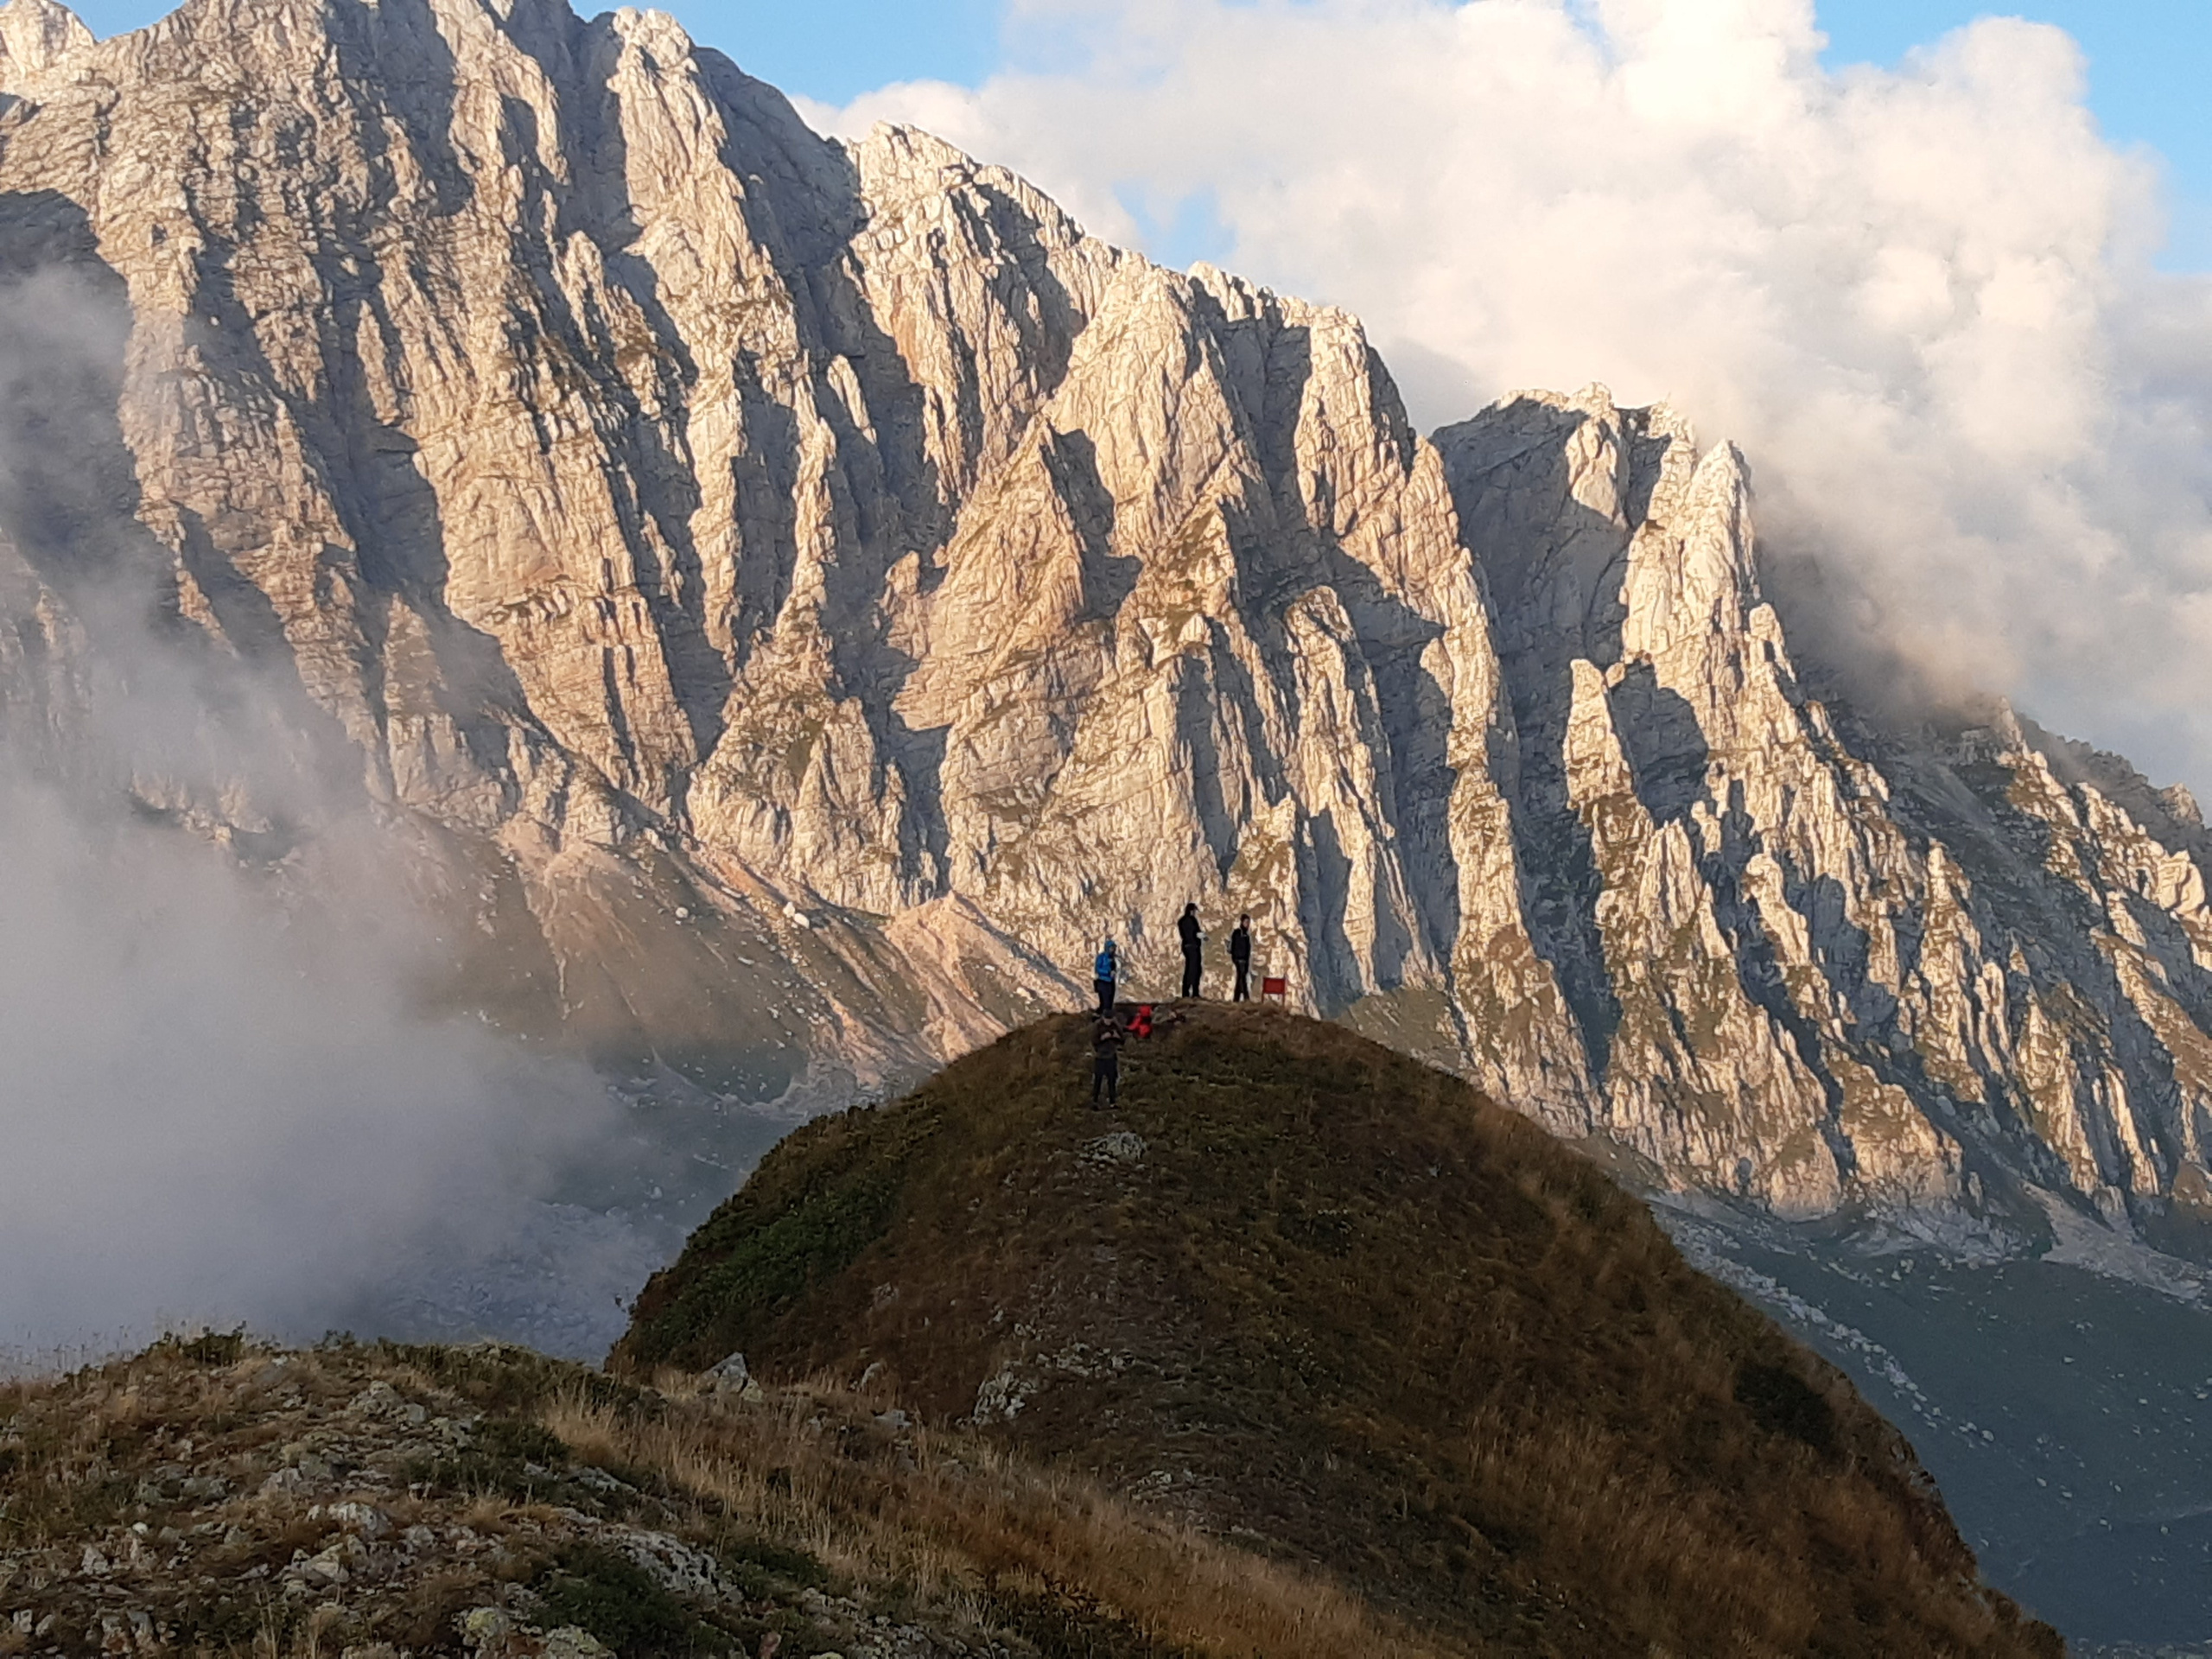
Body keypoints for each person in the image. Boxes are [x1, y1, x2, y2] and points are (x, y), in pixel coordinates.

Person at [1090, 1011, 1124, 1107]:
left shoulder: (1115, 1025)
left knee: (1112, 1080)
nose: (1109, 1021)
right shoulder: (1097, 1026)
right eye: (1107, 1019)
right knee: (1098, 1080)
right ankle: (1095, 1101)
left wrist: (1117, 1037)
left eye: (1110, 1019)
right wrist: (1103, 1037)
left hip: (1111, 1056)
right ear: (1103, 1018)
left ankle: (1112, 1102)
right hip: (1100, 1057)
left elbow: (1122, 1039)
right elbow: (1094, 1041)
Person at [1177, 902, 1204, 998]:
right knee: (1195, 969)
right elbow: (1196, 933)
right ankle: (1194, 991)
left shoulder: (1181, 921)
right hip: (1194, 946)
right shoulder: (1192, 920)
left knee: (1189, 968)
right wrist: (1205, 937)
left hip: (1186, 946)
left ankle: (1186, 991)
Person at [1230, 913, 1253, 1001]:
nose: (1247, 924)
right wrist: (1235, 958)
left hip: (1244, 960)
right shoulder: (1237, 933)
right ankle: (1245, 998)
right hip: (1239, 959)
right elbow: (1233, 946)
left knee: (1241, 979)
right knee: (1242, 979)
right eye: (1246, 922)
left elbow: (1248, 951)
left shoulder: (1246, 936)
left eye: (1248, 922)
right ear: (1242, 922)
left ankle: (1237, 999)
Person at [1092, 936, 1118, 1014]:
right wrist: (1108, 972)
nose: (1113, 950)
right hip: (1103, 981)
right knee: (1105, 1002)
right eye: (1111, 948)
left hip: (1111, 981)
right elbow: (1098, 969)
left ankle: (1107, 1015)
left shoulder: (1113, 957)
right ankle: (1101, 1017)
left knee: (1110, 1002)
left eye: (1114, 948)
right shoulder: (1101, 957)